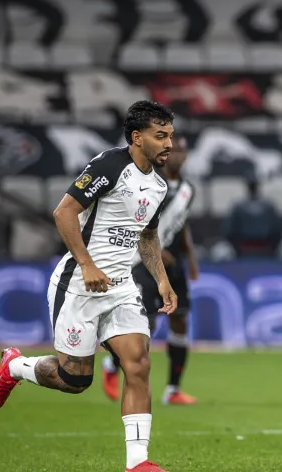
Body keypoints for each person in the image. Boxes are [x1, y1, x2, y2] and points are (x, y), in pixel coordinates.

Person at [0, 100, 177, 472]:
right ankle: (16, 366)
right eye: (161, 136)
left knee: (138, 364)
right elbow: (64, 211)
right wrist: (87, 264)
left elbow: (148, 236)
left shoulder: (158, 185)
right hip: (78, 284)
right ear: (137, 137)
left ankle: (137, 463)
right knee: (75, 380)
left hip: (121, 288)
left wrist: (162, 279)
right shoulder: (109, 165)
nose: (169, 143)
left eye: (170, 135)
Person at [102, 135, 200, 405]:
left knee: (180, 321)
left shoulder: (188, 190)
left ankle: (173, 390)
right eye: (173, 150)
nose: (177, 155)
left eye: (182, 151)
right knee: (147, 322)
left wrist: (191, 259)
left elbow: (182, 224)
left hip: (174, 264)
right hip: (144, 261)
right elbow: (133, 220)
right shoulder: (150, 183)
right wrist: (155, 251)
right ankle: (112, 363)